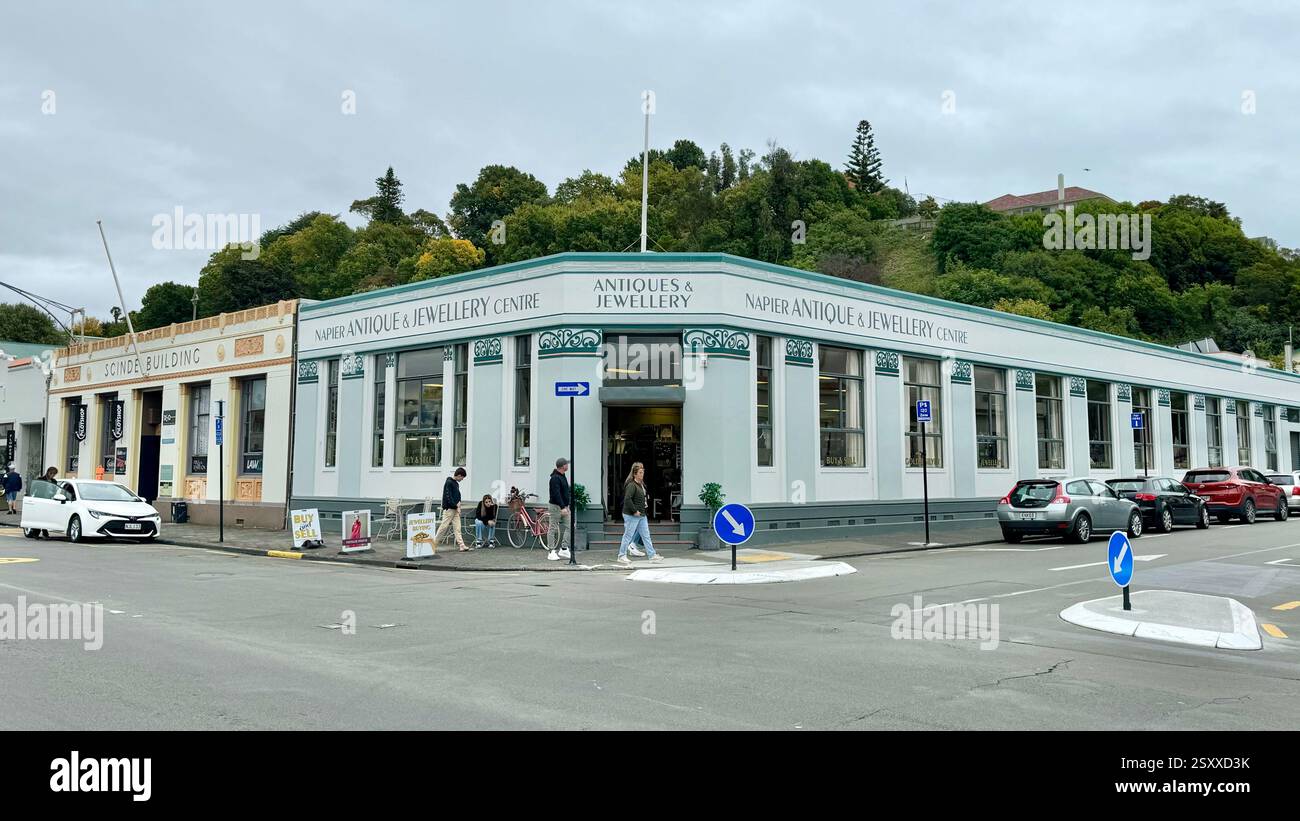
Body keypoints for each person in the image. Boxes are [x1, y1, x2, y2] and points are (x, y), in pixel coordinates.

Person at [618, 462, 663, 565]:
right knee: (628, 535)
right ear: (635, 474)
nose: (642, 474)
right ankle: (621, 556)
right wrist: (634, 511)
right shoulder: (631, 485)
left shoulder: (641, 484)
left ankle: (652, 555)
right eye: (640, 473)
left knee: (646, 536)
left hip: (641, 515)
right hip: (632, 515)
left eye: (643, 472)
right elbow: (627, 499)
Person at [434, 467, 469, 552]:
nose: (462, 479)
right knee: (443, 527)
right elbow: (448, 497)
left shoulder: (456, 483)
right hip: (449, 509)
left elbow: (458, 495)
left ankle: (461, 545)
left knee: (457, 528)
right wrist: (456, 506)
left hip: (455, 509)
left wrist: (459, 504)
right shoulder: (449, 483)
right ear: (459, 475)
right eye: (462, 477)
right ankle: (433, 544)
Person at [547, 457, 572, 561]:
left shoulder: (562, 476)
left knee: (570, 526)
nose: (568, 466)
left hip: (564, 507)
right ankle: (551, 551)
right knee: (552, 528)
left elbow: (565, 492)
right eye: (567, 464)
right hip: (555, 507)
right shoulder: (555, 478)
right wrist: (562, 507)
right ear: (563, 466)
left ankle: (564, 548)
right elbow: (556, 494)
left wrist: (567, 506)